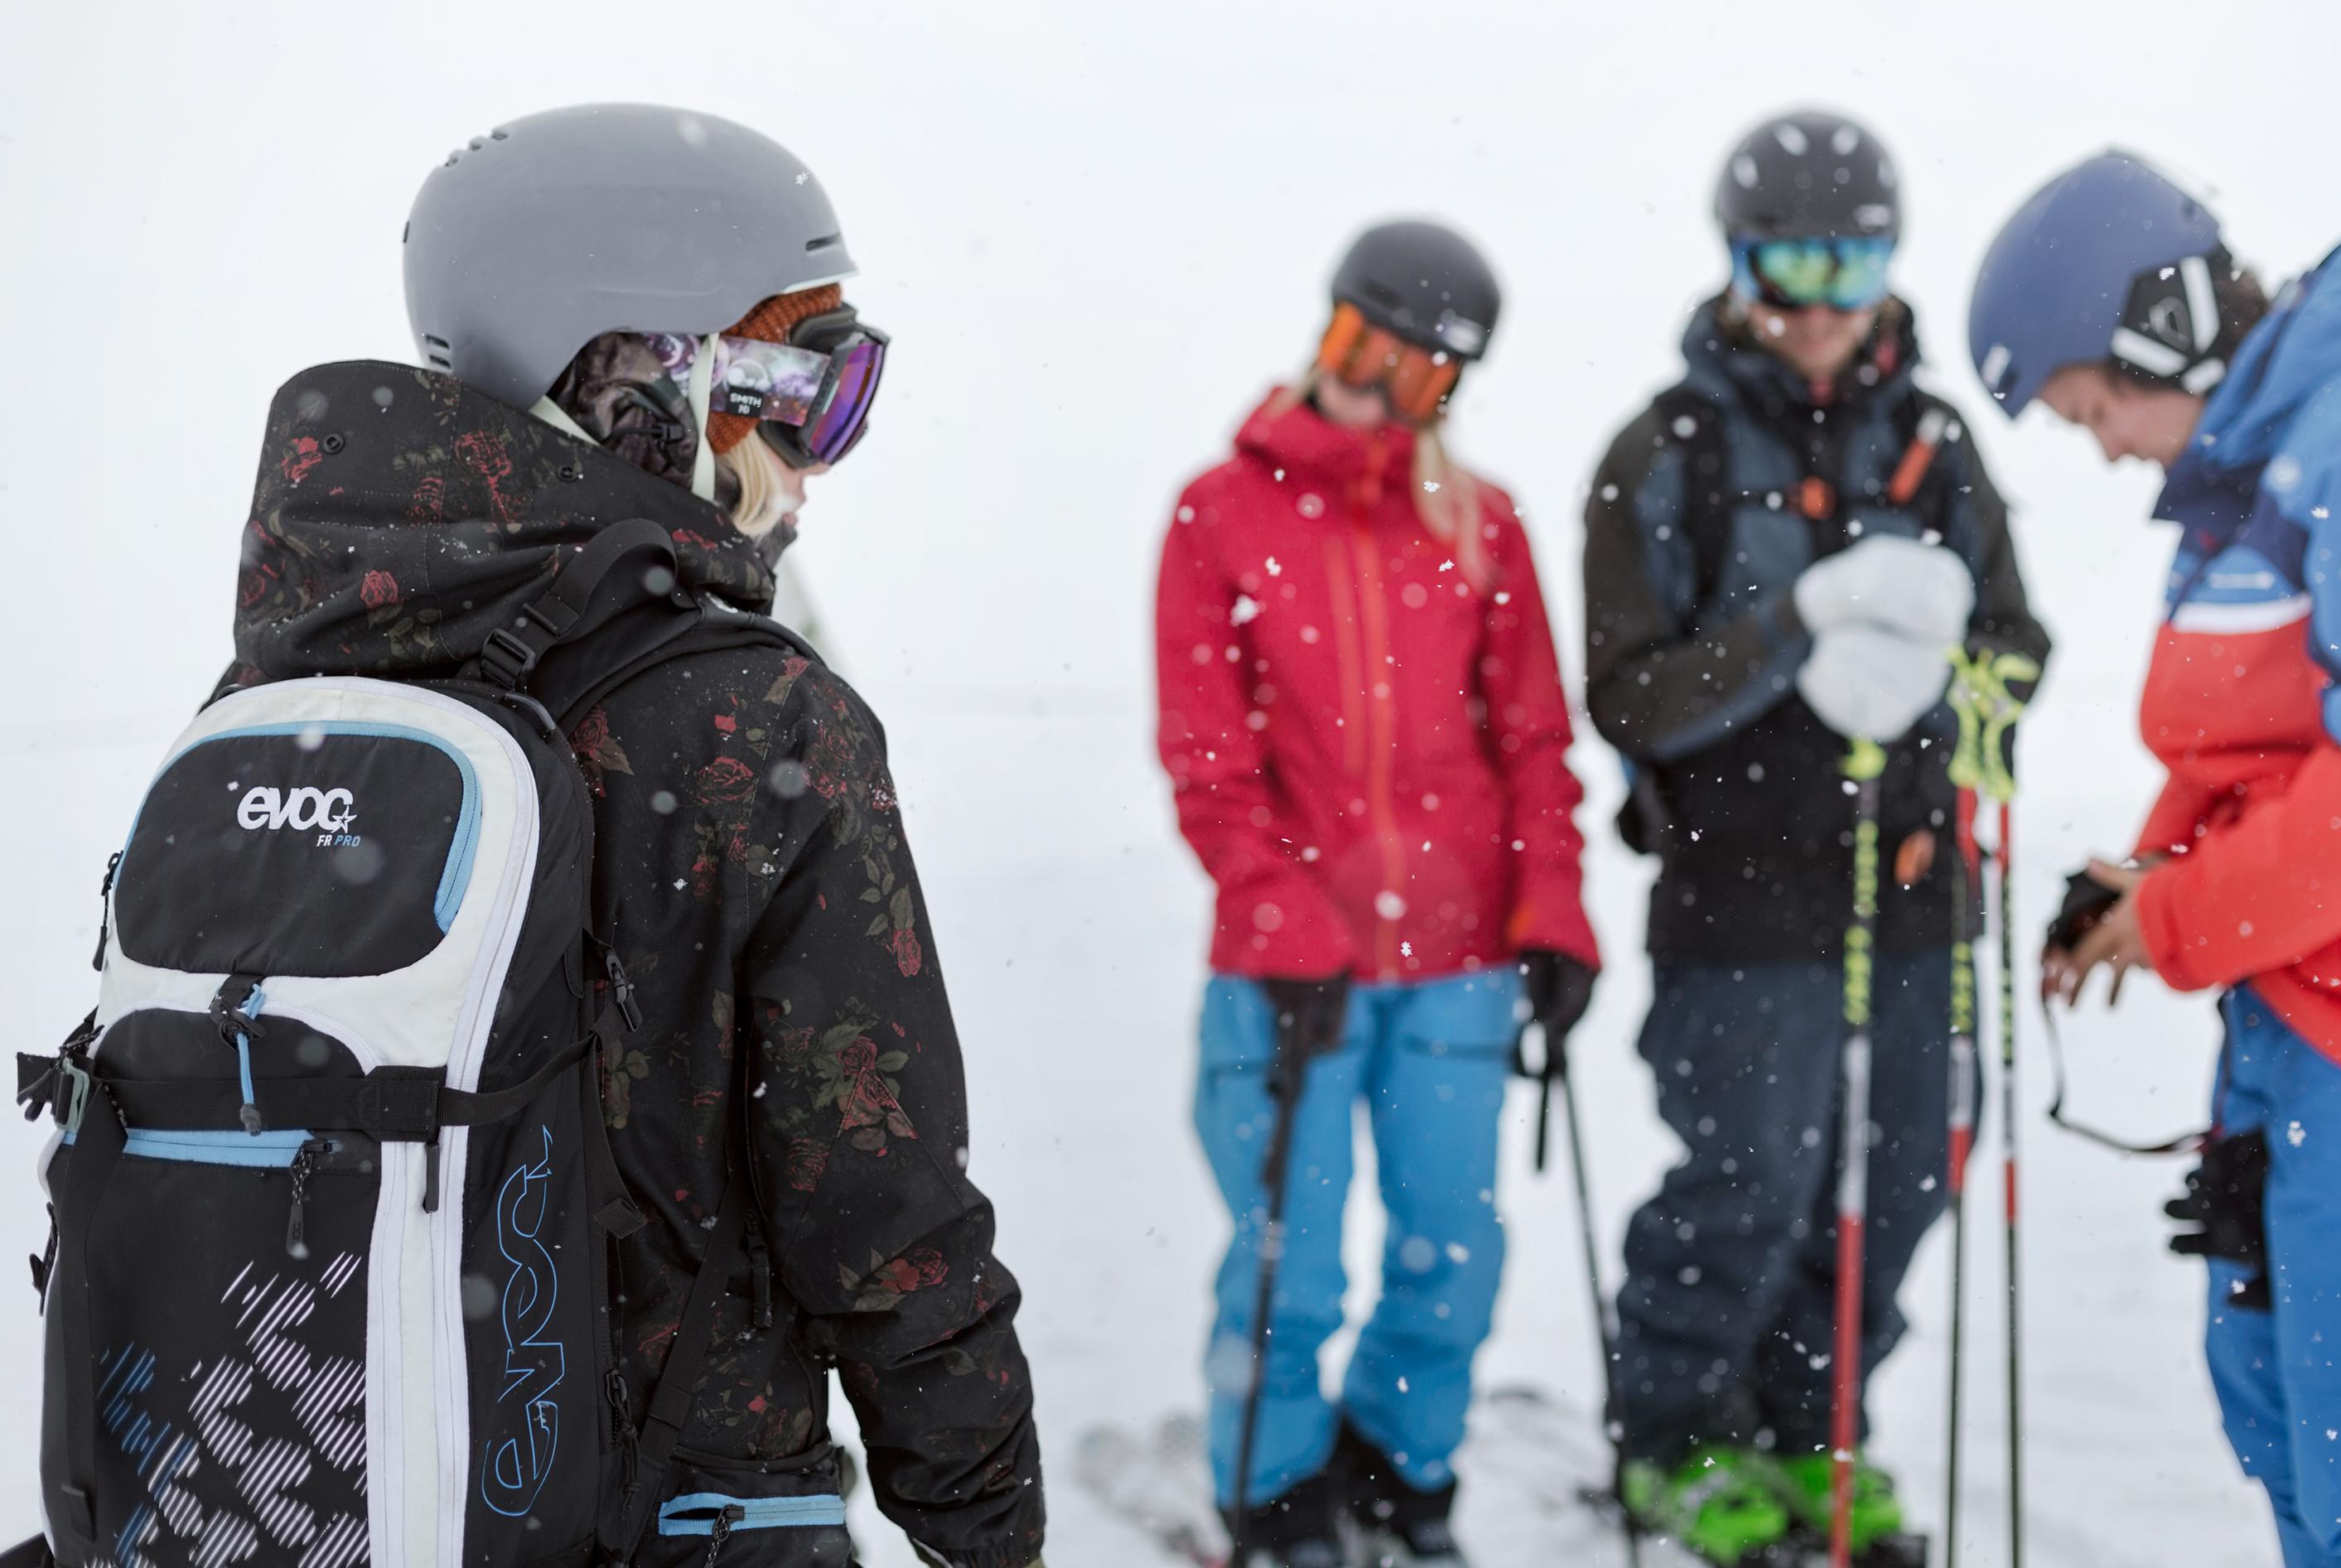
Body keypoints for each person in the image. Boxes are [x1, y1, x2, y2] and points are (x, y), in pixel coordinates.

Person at [230, 104, 1045, 1567]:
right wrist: (983, 1518)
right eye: (802, 385)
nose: (817, 450)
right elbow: (883, 1214)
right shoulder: (757, 721)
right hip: (676, 1508)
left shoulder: (285, 685)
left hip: (318, 1485)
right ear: (632, 392)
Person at [1973, 151, 2341, 1568]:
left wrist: (2180, 917)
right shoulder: (2258, 468)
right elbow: (2252, 750)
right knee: (2271, 1397)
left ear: (2159, 328)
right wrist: (2141, 884)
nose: (2110, 448)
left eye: (2096, 411)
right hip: (2299, 1005)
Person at [1581, 110, 2049, 1564]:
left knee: (1904, 1172)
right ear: (1736, 260)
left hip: (1913, 887)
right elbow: (1630, 694)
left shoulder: (1936, 441)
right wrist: (1793, 631)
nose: (1823, 301)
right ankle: (1681, 1440)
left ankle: (1813, 1439)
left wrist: (1952, 683)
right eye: (1790, 259)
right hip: (1741, 895)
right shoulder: (1663, 449)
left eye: (1853, 261)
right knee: (1752, 1178)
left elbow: (2016, 643)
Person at [1154, 220, 1601, 1568]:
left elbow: (1534, 745)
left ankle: (1406, 1468)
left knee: (1450, 1258)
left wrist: (1554, 917)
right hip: (1286, 976)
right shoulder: (1219, 514)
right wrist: (1288, 921)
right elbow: (1209, 761)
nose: (1375, 390)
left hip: (1457, 965)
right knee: (1292, 1266)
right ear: (1324, 328)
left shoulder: (1483, 524)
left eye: (1418, 377)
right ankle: (1277, 1486)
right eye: (1362, 349)